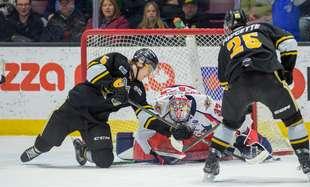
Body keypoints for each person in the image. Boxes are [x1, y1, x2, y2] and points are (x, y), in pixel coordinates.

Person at [20, 48, 193, 168]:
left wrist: (171, 130)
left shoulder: (137, 90)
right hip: (73, 110)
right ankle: (37, 149)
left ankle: (82, 151)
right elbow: (92, 70)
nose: (149, 74)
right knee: (45, 144)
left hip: (96, 121)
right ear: (140, 63)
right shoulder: (118, 61)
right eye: (149, 68)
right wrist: (114, 85)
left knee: (104, 160)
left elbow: (145, 116)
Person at [202, 9, 310, 182]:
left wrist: (241, 103)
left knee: (228, 125)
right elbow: (289, 44)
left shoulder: (225, 43)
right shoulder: (262, 27)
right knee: (294, 121)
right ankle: (306, 163)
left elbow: (224, 82)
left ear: (228, 25)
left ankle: (211, 164)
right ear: (246, 20)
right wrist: (287, 70)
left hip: (237, 85)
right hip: (267, 78)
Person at [116, 85, 273, 165]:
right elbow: (143, 132)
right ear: (169, 109)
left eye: (182, 111)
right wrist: (149, 152)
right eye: (174, 111)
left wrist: (242, 141)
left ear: (189, 108)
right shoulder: (159, 107)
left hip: (198, 115)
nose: (178, 115)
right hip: (169, 102)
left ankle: (249, 143)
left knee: (231, 131)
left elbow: (237, 118)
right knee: (159, 149)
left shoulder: (205, 104)